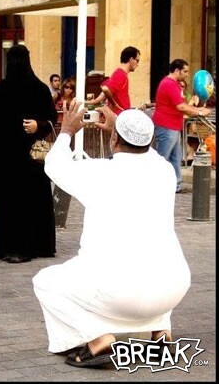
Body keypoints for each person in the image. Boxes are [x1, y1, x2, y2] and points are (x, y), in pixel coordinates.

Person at [33, 100, 191, 368]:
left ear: (115, 139)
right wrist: (123, 128)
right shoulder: (164, 171)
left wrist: (67, 131)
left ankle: (98, 339)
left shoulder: (99, 172)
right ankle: (161, 334)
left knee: (45, 282)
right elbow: (145, 151)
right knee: (155, 265)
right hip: (174, 288)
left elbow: (54, 165)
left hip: (120, 292)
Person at [0, 44, 57, 263]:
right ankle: (34, 245)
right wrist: (39, 125)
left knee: (8, 204)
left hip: (5, 159)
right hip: (28, 159)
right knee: (31, 202)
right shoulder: (39, 89)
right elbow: (51, 119)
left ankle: (10, 247)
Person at [152, 59, 212, 193]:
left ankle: (176, 185)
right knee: (163, 157)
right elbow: (181, 106)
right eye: (185, 71)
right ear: (177, 70)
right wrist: (199, 112)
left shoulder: (174, 84)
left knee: (175, 158)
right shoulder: (169, 84)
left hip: (173, 126)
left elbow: (181, 105)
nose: (187, 74)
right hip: (166, 126)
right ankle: (157, 185)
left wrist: (197, 109)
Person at [85, 46, 140, 115]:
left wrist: (95, 101)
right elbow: (105, 89)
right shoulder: (121, 74)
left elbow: (106, 90)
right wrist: (115, 104)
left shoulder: (118, 73)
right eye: (137, 60)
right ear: (131, 59)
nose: (137, 64)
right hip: (119, 115)